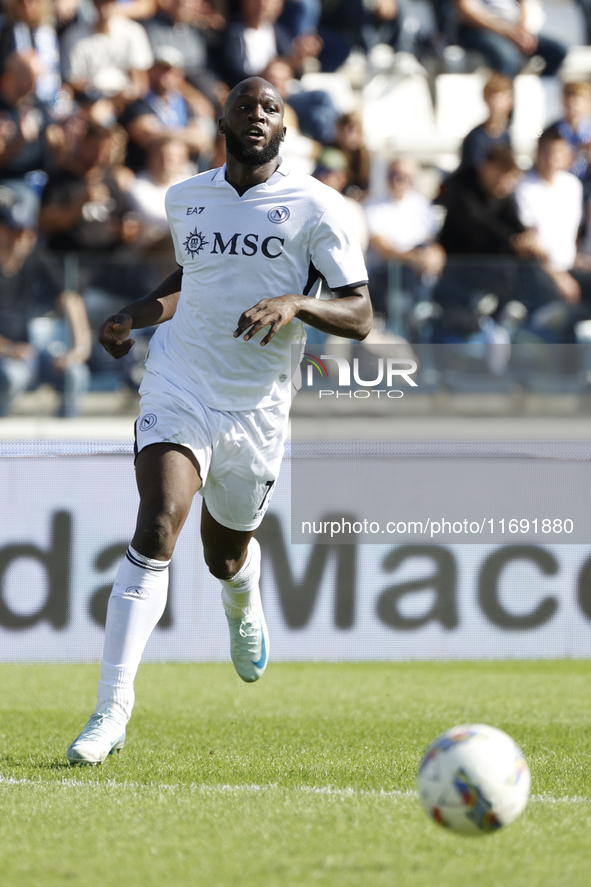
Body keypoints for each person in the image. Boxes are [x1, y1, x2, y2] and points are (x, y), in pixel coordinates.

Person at [66, 75, 371, 765]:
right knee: (156, 522)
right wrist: (132, 317)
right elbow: (188, 280)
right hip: (180, 383)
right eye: (245, 105)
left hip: (257, 405)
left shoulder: (316, 207)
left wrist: (296, 302)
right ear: (223, 122)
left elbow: (358, 312)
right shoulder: (187, 198)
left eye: (271, 107)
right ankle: (111, 709)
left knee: (222, 553)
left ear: (284, 129)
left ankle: (241, 595)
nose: (257, 113)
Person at [0, 181, 92, 417]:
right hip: (7, 357)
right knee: (9, 377)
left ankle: (71, 447)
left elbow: (69, 297)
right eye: (13, 229)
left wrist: (79, 348)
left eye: (27, 230)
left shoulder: (36, 257)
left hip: (31, 352)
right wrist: (8, 348)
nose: (22, 237)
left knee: (76, 374)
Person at [363, 156, 445, 320]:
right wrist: (415, 259)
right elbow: (383, 249)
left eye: (404, 176)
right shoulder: (372, 204)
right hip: (386, 278)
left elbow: (432, 242)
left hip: (418, 277)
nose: (397, 180)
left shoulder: (422, 205)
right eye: (394, 174)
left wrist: (436, 256)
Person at [459, 72, 513, 172]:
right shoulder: (475, 138)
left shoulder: (506, 136)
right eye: (493, 97)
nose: (496, 103)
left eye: (500, 98)